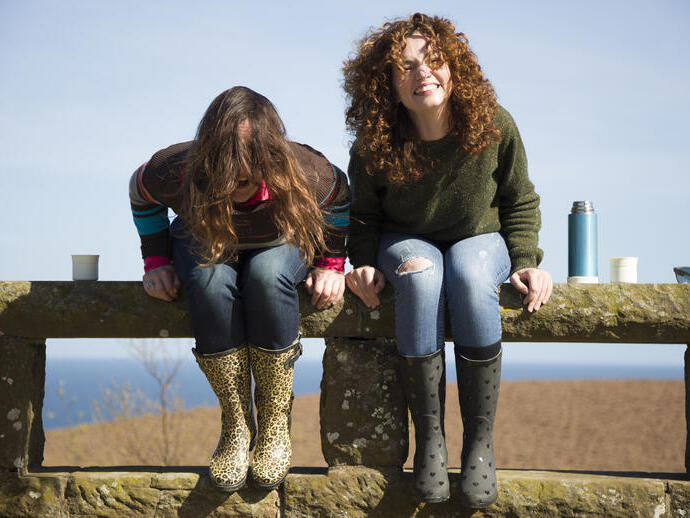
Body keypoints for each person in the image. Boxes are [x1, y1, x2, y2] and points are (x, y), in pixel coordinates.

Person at [343, 13, 552, 507]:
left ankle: (479, 443)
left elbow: (520, 200)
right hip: (406, 242)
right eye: (407, 67)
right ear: (387, 82)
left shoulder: (495, 125)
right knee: (421, 276)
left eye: (434, 62)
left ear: (454, 67)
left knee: (468, 270)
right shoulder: (375, 142)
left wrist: (525, 260)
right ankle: (430, 440)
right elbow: (363, 216)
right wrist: (366, 261)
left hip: (479, 239)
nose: (423, 75)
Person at [128, 86, 350, 491]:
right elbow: (140, 193)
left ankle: (273, 424)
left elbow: (338, 196)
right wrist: (156, 260)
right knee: (210, 282)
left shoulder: (307, 170)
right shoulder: (173, 168)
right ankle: (235, 422)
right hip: (204, 237)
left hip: (281, 237)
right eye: (222, 178)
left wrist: (331, 264)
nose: (232, 189)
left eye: (245, 178)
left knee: (265, 277)